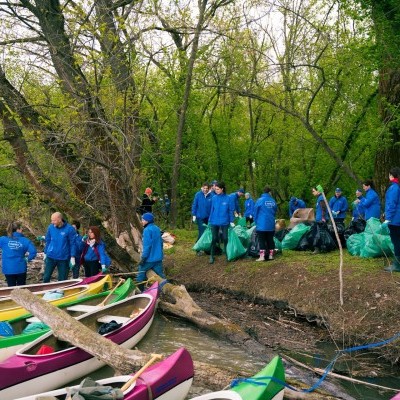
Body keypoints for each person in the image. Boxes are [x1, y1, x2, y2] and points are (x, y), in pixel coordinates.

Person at [0, 222, 37, 286]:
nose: (22, 230)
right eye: (21, 228)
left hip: (8, 269)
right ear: (18, 229)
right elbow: (33, 252)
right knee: (22, 288)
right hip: (21, 268)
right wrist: (27, 259)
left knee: (11, 288)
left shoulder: (3, 239)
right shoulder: (25, 240)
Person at [43, 212, 77, 282]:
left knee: (62, 279)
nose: (52, 222)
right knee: (46, 277)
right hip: (51, 256)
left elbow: (73, 244)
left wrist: (72, 257)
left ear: (59, 219)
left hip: (63, 258)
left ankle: (61, 291)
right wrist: (45, 253)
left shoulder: (69, 229)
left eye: (54, 220)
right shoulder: (50, 227)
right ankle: (44, 291)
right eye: (51, 220)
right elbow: (48, 240)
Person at [208, 181, 235, 264]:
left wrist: (231, 221)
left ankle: (227, 253)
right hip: (214, 221)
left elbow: (231, 210)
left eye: (218, 189)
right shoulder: (214, 198)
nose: (216, 190)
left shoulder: (228, 198)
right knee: (214, 238)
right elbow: (212, 210)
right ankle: (212, 256)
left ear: (222, 189)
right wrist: (210, 220)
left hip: (225, 221)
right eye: (215, 189)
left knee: (225, 238)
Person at [137, 213, 165, 290]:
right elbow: (161, 243)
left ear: (147, 221)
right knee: (160, 275)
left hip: (149, 259)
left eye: (143, 219)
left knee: (140, 272)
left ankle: (141, 291)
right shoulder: (157, 228)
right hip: (158, 257)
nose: (141, 221)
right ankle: (165, 288)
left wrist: (143, 258)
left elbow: (147, 246)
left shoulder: (147, 230)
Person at [254, 186, 277, 261]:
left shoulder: (259, 200)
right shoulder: (273, 201)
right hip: (270, 224)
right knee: (270, 239)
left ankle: (262, 256)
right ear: (269, 192)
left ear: (264, 192)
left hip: (261, 224)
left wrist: (256, 221)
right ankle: (271, 255)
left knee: (261, 240)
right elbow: (275, 211)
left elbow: (255, 212)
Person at [383, 167, 400, 272]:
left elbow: (391, 204)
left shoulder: (394, 187)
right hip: (397, 219)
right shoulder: (398, 186)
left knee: (396, 242)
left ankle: (397, 265)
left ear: (391, 175)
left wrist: (387, 219)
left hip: (395, 220)